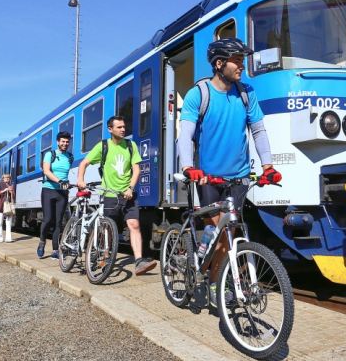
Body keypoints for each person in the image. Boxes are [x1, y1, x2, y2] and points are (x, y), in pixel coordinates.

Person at [177, 38, 280, 303]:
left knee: (229, 232)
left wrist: (268, 166)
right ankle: (213, 282)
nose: (241, 66)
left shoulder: (246, 93)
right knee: (220, 233)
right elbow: (185, 135)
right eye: (237, 61)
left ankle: (216, 280)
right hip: (209, 177)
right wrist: (188, 167)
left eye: (242, 61)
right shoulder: (199, 94)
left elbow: (258, 130)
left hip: (239, 176)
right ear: (219, 63)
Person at [77, 116, 156, 276]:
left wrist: (131, 187)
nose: (123, 129)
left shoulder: (130, 145)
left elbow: (137, 169)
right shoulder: (103, 146)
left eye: (124, 127)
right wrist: (80, 179)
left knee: (134, 224)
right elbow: (84, 163)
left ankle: (139, 261)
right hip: (109, 194)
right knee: (108, 230)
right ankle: (105, 258)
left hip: (127, 194)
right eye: (119, 127)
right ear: (110, 129)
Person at [39, 131, 73, 259]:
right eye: (63, 141)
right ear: (58, 142)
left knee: (58, 222)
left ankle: (55, 250)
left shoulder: (70, 157)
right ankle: (42, 242)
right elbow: (46, 171)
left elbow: (66, 174)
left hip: (62, 192)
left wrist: (67, 184)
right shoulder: (50, 154)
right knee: (48, 219)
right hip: (48, 190)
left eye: (67, 141)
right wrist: (59, 181)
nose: (65, 143)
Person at [0, 173, 14, 243]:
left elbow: (13, 197)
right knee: (0, 223)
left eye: (8, 177)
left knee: (8, 223)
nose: (7, 179)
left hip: (8, 206)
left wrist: (11, 192)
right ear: (3, 178)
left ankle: (8, 238)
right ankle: (0, 238)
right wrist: (4, 190)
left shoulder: (11, 186)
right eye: (5, 177)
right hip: (0, 206)